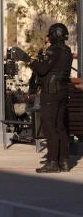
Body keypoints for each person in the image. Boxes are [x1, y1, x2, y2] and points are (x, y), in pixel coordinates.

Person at [30, 23, 73, 173]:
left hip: (51, 93)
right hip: (62, 92)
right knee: (60, 126)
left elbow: (42, 70)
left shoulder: (53, 50)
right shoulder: (67, 51)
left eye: (50, 34)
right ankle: (64, 161)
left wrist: (30, 61)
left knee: (49, 126)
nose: (48, 37)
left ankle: (52, 162)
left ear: (55, 35)